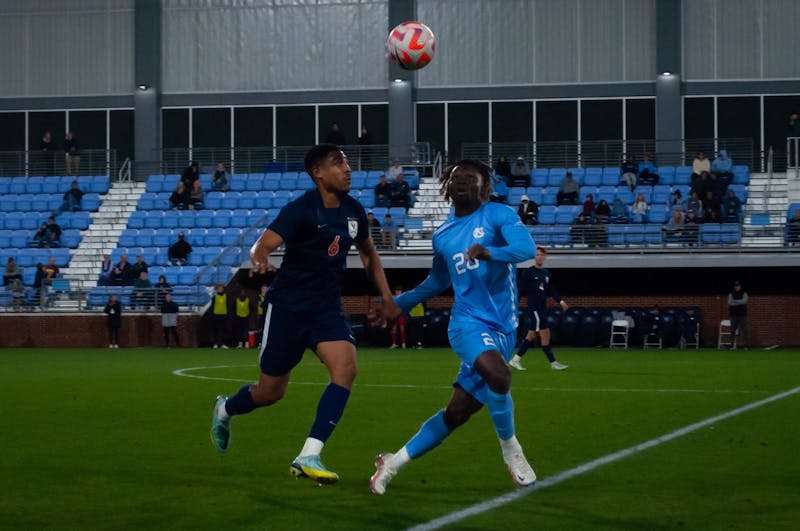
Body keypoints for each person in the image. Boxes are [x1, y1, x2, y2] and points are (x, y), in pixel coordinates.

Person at [210, 144, 398, 485]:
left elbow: (369, 255)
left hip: (325, 307)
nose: (347, 168)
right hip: (287, 308)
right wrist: (260, 261)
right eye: (337, 162)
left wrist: (386, 296)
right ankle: (226, 409)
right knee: (270, 393)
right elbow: (261, 246)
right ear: (318, 173)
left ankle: (309, 453)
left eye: (346, 162)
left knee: (346, 367)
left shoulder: (354, 212)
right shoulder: (300, 210)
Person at [369, 159, 537, 495]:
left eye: (469, 179)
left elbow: (527, 249)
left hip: (503, 330)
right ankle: (511, 451)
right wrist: (397, 304)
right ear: (447, 186)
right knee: (500, 376)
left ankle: (392, 462)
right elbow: (436, 281)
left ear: (484, 186)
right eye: (456, 178)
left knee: (456, 413)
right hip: (467, 324)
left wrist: (490, 252)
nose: (461, 183)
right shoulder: (444, 235)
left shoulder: (499, 215)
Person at [510, 246, 569, 371]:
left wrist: (561, 301)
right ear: (534, 257)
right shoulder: (528, 272)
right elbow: (520, 291)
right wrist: (512, 305)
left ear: (545, 257)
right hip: (534, 309)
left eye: (542, 255)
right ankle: (553, 363)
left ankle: (515, 360)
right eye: (537, 255)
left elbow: (552, 290)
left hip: (542, 309)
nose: (539, 257)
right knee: (544, 333)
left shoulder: (546, 273)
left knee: (531, 335)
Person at [728, 280, 749, 349]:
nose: (737, 287)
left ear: (740, 287)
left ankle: (745, 346)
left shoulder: (744, 293)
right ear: (734, 287)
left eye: (738, 286)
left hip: (743, 315)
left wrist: (735, 301)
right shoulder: (731, 294)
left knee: (745, 330)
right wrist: (740, 302)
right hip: (733, 315)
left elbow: (744, 301)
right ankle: (732, 346)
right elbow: (730, 303)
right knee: (732, 331)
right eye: (736, 286)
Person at [210, 283, 230, 349]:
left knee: (223, 330)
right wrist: (212, 315)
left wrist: (228, 315)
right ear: (217, 289)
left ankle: (222, 343)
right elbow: (212, 306)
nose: (220, 289)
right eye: (219, 288)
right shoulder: (215, 297)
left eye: (221, 288)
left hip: (224, 315)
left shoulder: (226, 296)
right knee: (215, 330)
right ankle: (215, 343)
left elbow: (228, 306)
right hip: (216, 315)